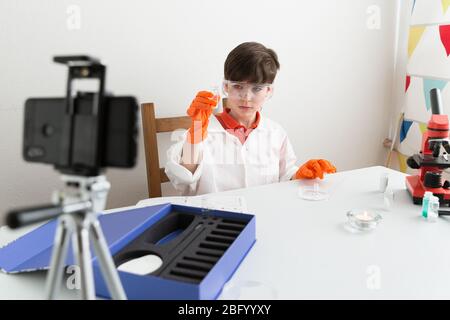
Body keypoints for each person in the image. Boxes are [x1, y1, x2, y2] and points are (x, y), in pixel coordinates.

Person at [165, 42, 336, 196]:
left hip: (263, 216)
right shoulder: (201, 131)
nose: (246, 97)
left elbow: (285, 176)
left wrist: (299, 175)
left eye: (257, 88)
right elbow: (183, 179)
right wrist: (195, 135)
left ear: (269, 91)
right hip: (214, 221)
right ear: (226, 87)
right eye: (238, 86)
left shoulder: (276, 132)